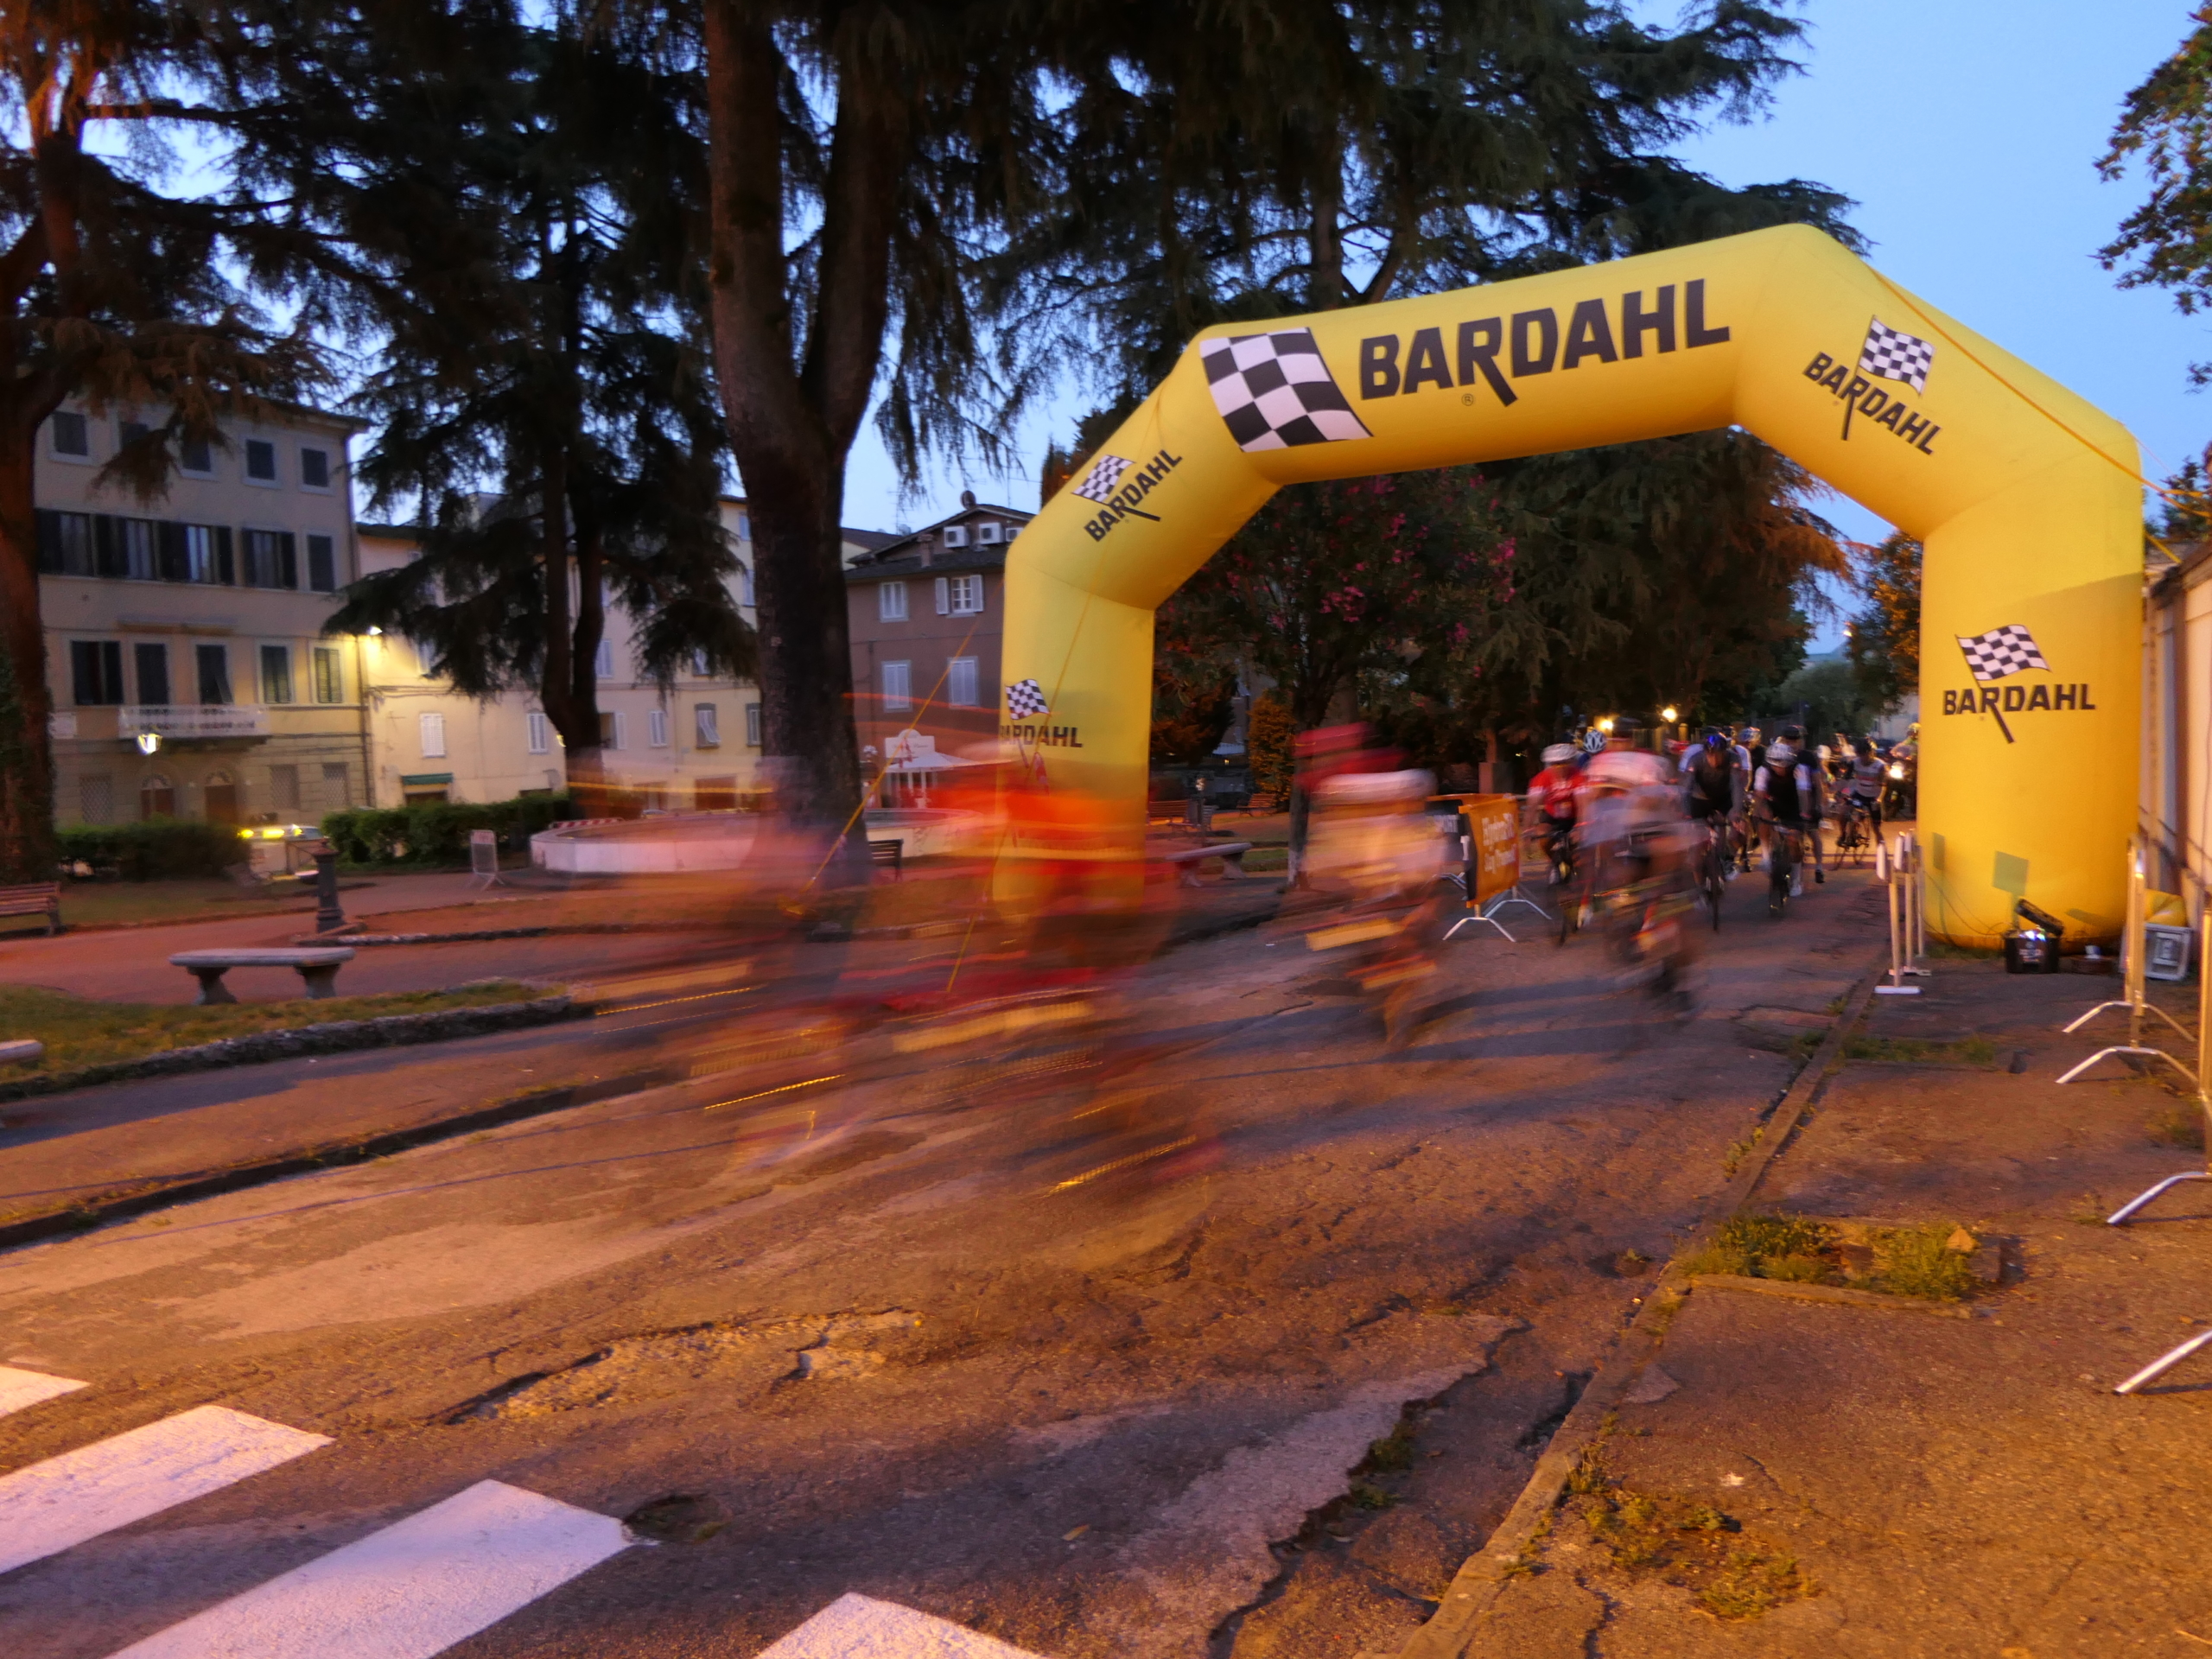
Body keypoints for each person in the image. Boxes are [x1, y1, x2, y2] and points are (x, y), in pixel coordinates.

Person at [1753, 733, 1820, 899]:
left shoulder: (1800, 769)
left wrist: (1804, 816)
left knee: (1792, 840)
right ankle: (1766, 857)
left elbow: (1803, 794)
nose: (1779, 768)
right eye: (1775, 765)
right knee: (1764, 815)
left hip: (1795, 804)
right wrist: (1758, 812)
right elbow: (1760, 795)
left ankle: (1797, 879)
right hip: (1775, 802)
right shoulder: (1763, 770)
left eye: (1783, 765)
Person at [1847, 737, 1888, 837]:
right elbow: (1846, 780)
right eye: (1859, 755)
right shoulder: (1854, 763)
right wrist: (1842, 792)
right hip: (1859, 794)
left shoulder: (1881, 766)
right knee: (1844, 811)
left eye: (1864, 754)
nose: (1862, 758)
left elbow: (1883, 785)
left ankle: (1882, 849)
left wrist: (1879, 800)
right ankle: (1845, 835)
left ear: (1871, 752)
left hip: (1874, 798)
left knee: (1876, 828)